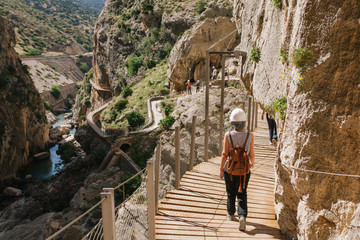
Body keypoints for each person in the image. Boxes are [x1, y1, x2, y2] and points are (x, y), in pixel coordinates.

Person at [220, 108, 255, 231]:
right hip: (244, 170)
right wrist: (252, 164)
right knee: (242, 193)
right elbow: (251, 154)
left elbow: (224, 154)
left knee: (230, 193)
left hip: (229, 169)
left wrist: (220, 170)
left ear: (232, 123)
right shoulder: (250, 135)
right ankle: (242, 216)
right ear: (244, 122)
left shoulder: (228, 135)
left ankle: (230, 214)